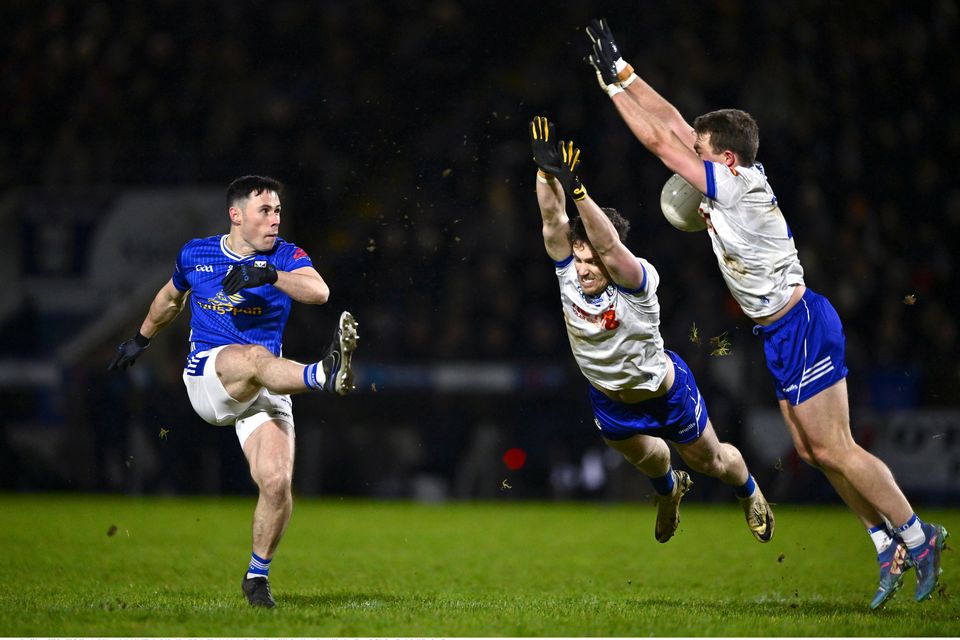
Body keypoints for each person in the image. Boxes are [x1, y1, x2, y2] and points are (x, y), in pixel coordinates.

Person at [583, 18, 947, 608]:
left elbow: (657, 141)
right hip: (778, 331)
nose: (689, 155)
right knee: (811, 451)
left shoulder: (737, 184)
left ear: (726, 159)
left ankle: (918, 534)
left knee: (837, 448)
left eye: (701, 153)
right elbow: (674, 125)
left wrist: (608, 92)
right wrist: (621, 72)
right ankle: (886, 543)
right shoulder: (728, 176)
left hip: (801, 323)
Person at [108, 175, 359, 608]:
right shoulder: (198, 253)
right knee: (254, 356)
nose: (275, 219)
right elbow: (171, 299)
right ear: (236, 215)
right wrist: (141, 339)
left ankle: (256, 577)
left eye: (278, 210)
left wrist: (270, 273)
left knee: (277, 483)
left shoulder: (284, 255)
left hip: (265, 384)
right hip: (210, 377)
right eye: (265, 210)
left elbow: (319, 291)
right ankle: (322, 374)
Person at [529, 115, 774, 545]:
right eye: (581, 260)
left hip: (664, 392)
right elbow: (553, 219)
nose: (584, 269)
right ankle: (668, 492)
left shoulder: (637, 281)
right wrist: (545, 172)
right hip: (609, 400)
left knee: (712, 461)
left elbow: (607, 247)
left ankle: (748, 490)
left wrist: (579, 190)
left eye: (593, 263)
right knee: (653, 461)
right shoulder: (570, 270)